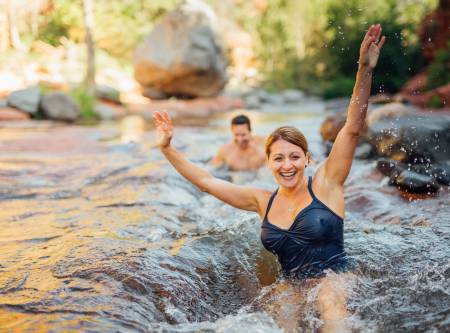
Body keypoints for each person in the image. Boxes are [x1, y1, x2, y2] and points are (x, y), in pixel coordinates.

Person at [153, 24, 385, 333]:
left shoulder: (327, 184)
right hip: (290, 285)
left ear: (307, 159)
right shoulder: (261, 200)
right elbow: (207, 181)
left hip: (334, 279)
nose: (287, 165)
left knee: (332, 310)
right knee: (282, 320)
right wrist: (167, 148)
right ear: (269, 163)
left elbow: (353, 128)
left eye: (294, 157)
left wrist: (364, 70)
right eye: (278, 158)